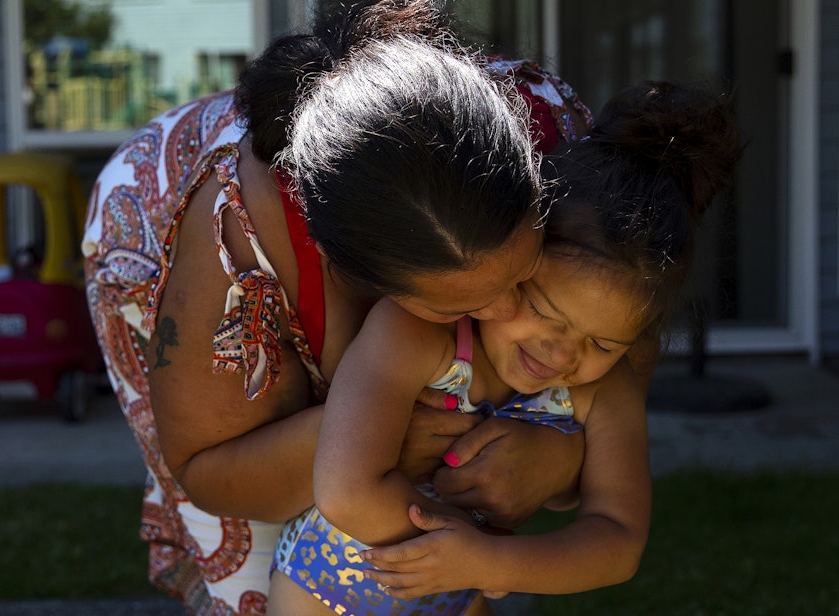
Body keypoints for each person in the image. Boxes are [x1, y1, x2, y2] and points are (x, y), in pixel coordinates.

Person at [81, 1, 591, 613]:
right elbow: (208, 469)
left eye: (529, 275)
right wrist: (368, 431)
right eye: (472, 302)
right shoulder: (234, 248)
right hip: (152, 232)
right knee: (266, 589)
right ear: (365, 280)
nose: (514, 313)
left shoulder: (559, 138)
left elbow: (616, 353)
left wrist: (565, 461)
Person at [326, 80, 740, 606]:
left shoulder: (604, 390)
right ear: (515, 262)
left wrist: (488, 561)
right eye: (546, 312)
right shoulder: (415, 335)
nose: (563, 354)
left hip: (459, 599)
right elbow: (346, 489)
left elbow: (619, 539)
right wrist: (468, 545)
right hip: (319, 593)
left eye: (605, 343)